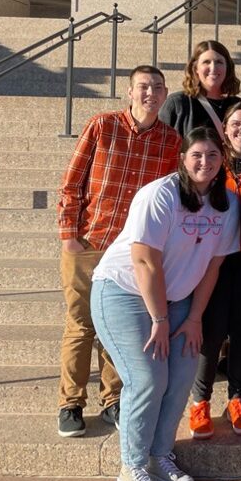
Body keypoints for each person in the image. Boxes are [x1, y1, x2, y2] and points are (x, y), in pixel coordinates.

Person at [90, 127, 240, 481]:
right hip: (123, 293)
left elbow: (212, 268)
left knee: (181, 376)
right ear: (183, 158)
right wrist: (159, 320)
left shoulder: (227, 203)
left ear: (222, 159)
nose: (204, 163)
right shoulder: (160, 194)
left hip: (177, 302)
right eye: (196, 155)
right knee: (147, 378)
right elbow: (144, 261)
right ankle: (131, 467)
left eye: (211, 155)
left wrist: (193, 319)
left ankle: (159, 456)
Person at [55, 65, 181, 438]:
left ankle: (112, 399)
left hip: (128, 253)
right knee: (81, 325)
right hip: (89, 242)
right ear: (129, 92)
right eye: (143, 87)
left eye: (157, 88)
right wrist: (69, 236)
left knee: (120, 326)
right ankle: (70, 403)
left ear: (165, 94)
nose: (150, 94)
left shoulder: (171, 141)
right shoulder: (102, 126)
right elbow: (71, 184)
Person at [189, 102, 241, 440]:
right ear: (224, 126)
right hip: (212, 258)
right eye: (236, 123)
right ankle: (200, 400)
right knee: (213, 329)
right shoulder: (210, 161)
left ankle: (237, 396)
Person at [159, 40, 241, 139]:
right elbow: (161, 143)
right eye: (206, 62)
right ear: (196, 68)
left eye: (219, 62)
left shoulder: (239, 107)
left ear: (227, 67)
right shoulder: (177, 104)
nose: (213, 68)